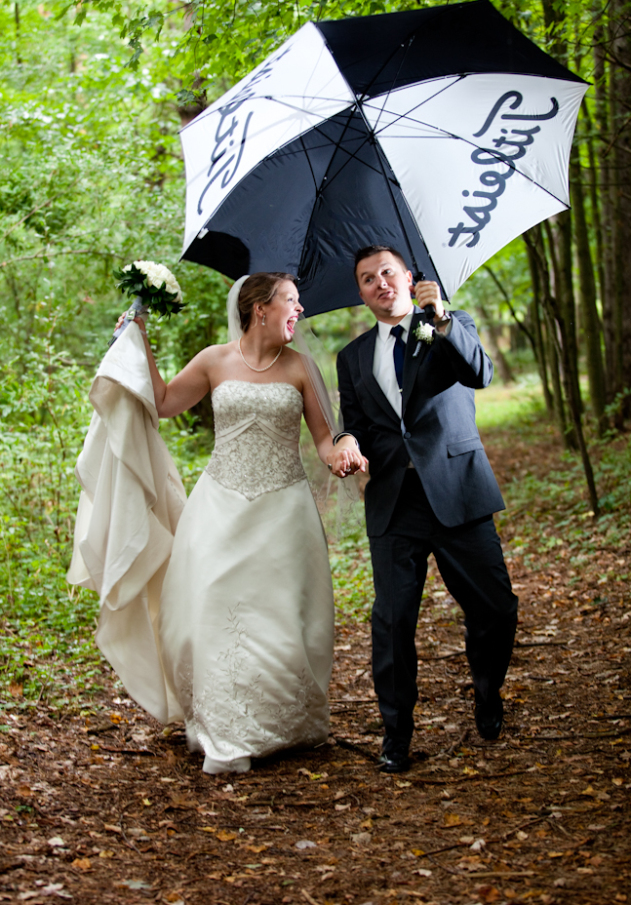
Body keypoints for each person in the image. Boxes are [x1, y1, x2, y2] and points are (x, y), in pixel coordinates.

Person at [124, 272, 366, 774]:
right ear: (260, 309)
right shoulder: (214, 360)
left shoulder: (301, 367)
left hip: (285, 513)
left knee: (281, 619)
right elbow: (165, 403)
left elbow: (326, 440)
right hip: (219, 509)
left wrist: (344, 454)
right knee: (215, 613)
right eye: (291, 301)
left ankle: (280, 723)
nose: (300, 310)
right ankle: (227, 728)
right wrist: (140, 337)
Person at [335, 245, 518, 774]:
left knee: (496, 608)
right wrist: (347, 441)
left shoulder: (451, 324)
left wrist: (440, 319)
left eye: (387, 272)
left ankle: (487, 690)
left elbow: (480, 373)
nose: (380, 283)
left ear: (409, 276)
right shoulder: (352, 357)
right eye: (367, 279)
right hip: (394, 502)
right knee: (392, 624)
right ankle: (396, 734)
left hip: (458, 490)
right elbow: (356, 423)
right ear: (361, 292)